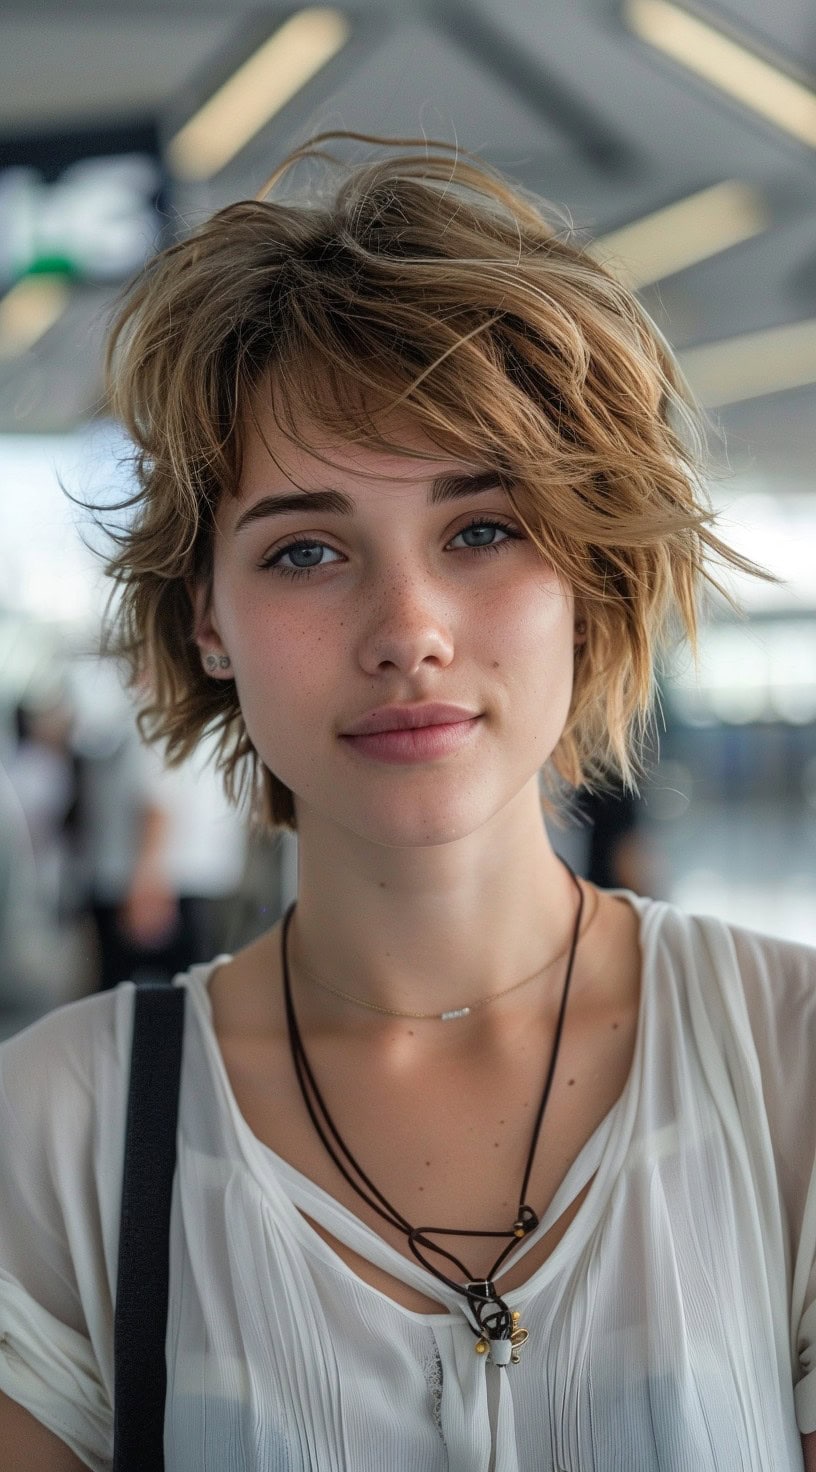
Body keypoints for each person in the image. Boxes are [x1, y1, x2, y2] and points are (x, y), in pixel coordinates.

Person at [0, 130, 814, 1471]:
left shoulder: (785, 1069)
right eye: (307, 550)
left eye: (480, 529)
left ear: (588, 576)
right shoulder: (62, 1135)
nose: (409, 628)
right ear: (209, 616)